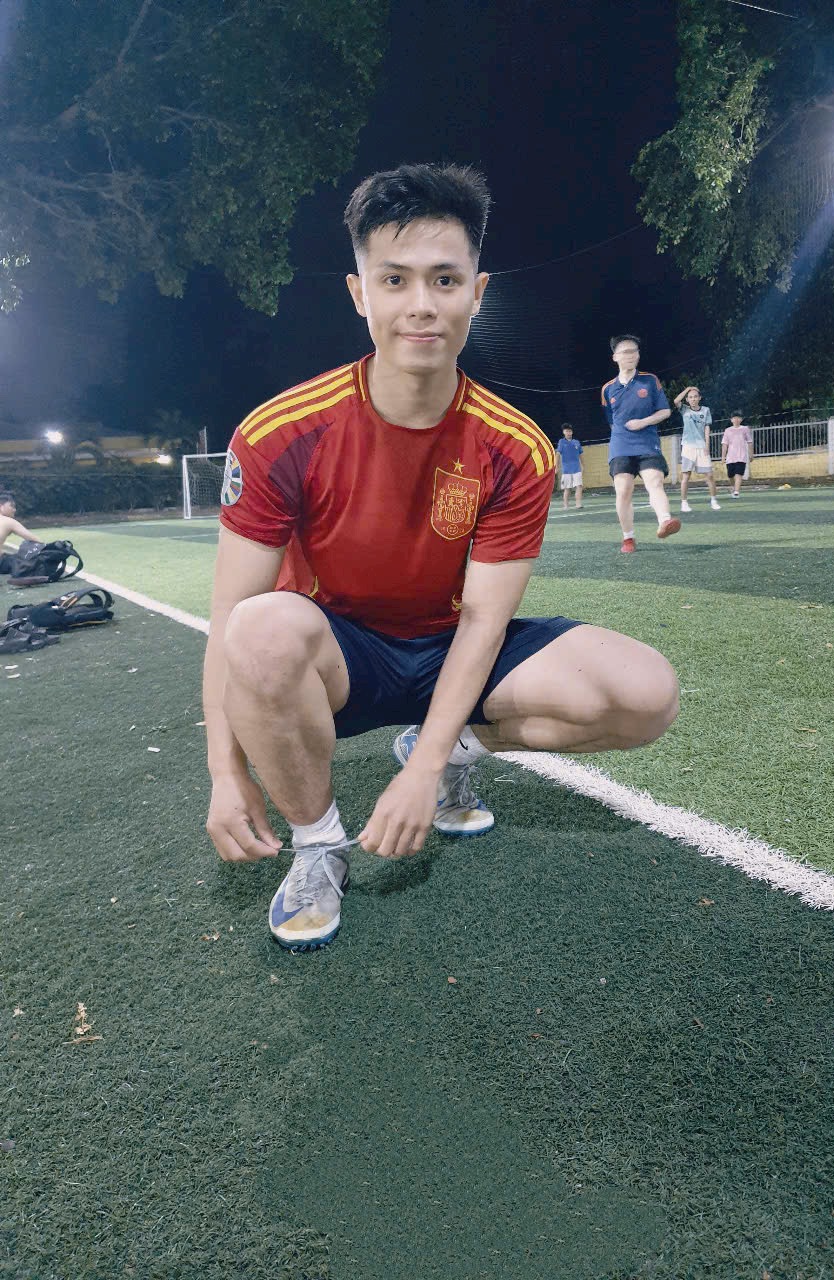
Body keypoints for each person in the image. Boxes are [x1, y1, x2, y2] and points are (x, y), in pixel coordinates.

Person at [203, 163, 680, 953]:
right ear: (360, 293)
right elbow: (229, 618)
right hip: (343, 657)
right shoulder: (280, 431)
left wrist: (425, 766)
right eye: (394, 279)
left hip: (454, 643)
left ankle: (458, 745)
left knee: (647, 695)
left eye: (445, 279)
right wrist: (226, 773)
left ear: (477, 292)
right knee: (257, 631)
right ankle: (319, 845)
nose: (421, 304)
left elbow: (486, 621)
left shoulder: (515, 447)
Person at [601, 335, 680, 552]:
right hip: (620, 444)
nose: (631, 355)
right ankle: (628, 538)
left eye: (634, 351)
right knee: (623, 490)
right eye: (626, 352)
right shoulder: (607, 389)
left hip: (647, 442)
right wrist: (621, 435)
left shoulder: (650, 380)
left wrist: (642, 422)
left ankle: (665, 521)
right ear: (615, 357)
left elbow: (665, 411)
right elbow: (611, 420)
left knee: (654, 481)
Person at [673, 387, 721, 513]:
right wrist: (688, 389)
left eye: (695, 396)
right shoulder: (684, 409)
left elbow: (707, 428)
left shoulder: (706, 410)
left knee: (709, 475)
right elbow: (676, 401)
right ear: (687, 400)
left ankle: (714, 500)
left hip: (701, 447)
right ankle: (684, 503)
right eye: (690, 397)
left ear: (699, 398)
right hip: (688, 447)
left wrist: (707, 445)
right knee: (686, 476)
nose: (693, 399)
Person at [0, 492, 41, 573]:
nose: (14, 510)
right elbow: (36, 540)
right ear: (1, 506)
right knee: (29, 560)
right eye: (11, 506)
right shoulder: (9, 521)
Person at [721, 412, 754, 497]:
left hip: (741, 456)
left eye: (738, 418)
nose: (736, 419)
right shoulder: (728, 430)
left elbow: (750, 442)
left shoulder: (745, 429)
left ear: (741, 419)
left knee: (739, 474)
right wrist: (723, 456)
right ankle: (733, 487)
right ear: (731, 420)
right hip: (730, 457)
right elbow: (725, 444)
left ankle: (736, 491)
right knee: (730, 475)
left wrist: (751, 454)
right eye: (734, 418)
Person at [556, 423, 584, 510]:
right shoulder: (561, 442)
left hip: (577, 469)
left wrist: (583, 465)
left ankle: (578, 504)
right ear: (563, 432)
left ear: (572, 432)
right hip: (566, 470)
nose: (568, 433)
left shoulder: (576, 442)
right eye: (566, 431)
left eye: (570, 431)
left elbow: (581, 454)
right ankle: (566, 505)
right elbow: (557, 455)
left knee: (579, 486)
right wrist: (557, 467)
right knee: (567, 488)